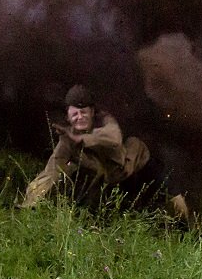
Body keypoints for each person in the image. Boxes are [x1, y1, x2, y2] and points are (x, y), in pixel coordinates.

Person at [18, 84, 190, 220]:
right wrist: (31, 201)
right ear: (68, 116)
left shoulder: (105, 122)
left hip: (140, 166)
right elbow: (52, 169)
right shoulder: (68, 139)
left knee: (176, 202)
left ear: (92, 112)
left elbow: (113, 138)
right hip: (116, 180)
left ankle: (189, 233)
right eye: (75, 114)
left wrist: (82, 140)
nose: (80, 117)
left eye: (84, 112)